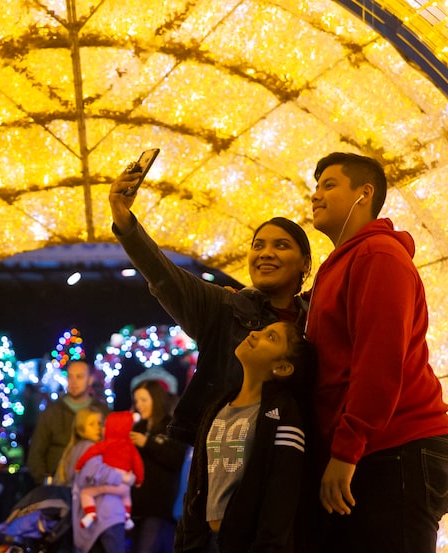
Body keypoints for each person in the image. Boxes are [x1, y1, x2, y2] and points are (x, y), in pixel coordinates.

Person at [305, 152, 448, 552]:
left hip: (396, 450)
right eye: (316, 186)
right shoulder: (344, 262)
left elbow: (379, 361)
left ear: (364, 193)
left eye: (329, 185)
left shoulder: (377, 256)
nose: (315, 195)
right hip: (374, 450)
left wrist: (346, 450)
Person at [109, 170, 313, 446]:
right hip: (219, 457)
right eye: (258, 245)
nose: (266, 253)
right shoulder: (224, 308)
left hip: (294, 460)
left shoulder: (316, 319)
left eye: (281, 245)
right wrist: (124, 220)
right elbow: (164, 275)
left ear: (305, 263)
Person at [175, 321, 315, 553]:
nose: (254, 334)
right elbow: (198, 483)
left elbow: (281, 495)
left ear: (282, 367)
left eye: (271, 337)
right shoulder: (218, 407)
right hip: (203, 542)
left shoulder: (283, 413)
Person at [56, 407, 137, 553]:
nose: (98, 428)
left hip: (92, 518)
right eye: (91, 424)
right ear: (80, 427)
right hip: (107, 515)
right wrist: (123, 477)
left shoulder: (74, 449)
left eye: (100, 423)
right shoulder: (90, 447)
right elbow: (95, 471)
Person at [128, 379, 189, 553]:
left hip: (160, 507)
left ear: (156, 399)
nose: (139, 405)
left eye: (144, 400)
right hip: (135, 506)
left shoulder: (171, 426)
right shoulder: (137, 427)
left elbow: (175, 459)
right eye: (137, 400)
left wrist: (148, 443)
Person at [28, 360, 111, 485]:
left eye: (79, 377)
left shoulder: (102, 412)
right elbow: (36, 453)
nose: (73, 382)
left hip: (94, 487)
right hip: (59, 487)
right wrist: (47, 481)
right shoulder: (52, 412)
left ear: (90, 380)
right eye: (70, 376)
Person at [75, 411, 144, 530]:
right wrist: (138, 480)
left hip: (110, 483)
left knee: (86, 493)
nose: (100, 428)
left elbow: (89, 453)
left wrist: (79, 465)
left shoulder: (105, 444)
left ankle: (90, 513)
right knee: (126, 497)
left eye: (103, 425)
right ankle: (127, 517)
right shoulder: (131, 446)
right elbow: (138, 465)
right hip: (125, 485)